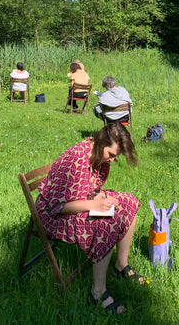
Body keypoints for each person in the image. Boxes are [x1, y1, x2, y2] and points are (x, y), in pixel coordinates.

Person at [36, 123, 145, 314]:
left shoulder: (96, 154)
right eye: (111, 154)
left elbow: (88, 188)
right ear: (102, 142)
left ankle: (120, 265)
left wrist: (98, 196)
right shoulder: (76, 158)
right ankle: (97, 293)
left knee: (130, 202)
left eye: (115, 157)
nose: (112, 160)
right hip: (53, 216)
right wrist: (94, 205)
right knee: (108, 223)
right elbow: (58, 206)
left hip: (79, 203)